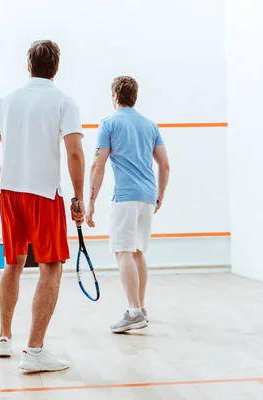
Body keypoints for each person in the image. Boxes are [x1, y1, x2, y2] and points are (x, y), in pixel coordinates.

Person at [0, 40, 85, 371]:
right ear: (56, 68)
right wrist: (79, 196)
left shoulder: (5, 101)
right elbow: (74, 153)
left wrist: (6, 181)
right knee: (51, 268)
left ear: (28, 65)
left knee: (13, 263)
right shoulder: (64, 102)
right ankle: (35, 351)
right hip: (44, 196)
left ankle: (3, 338)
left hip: (9, 195)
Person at [86, 76, 170, 333]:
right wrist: (160, 195)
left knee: (123, 251)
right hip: (147, 195)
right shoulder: (150, 124)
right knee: (137, 252)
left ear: (114, 96)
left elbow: (98, 165)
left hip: (125, 196)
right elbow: (164, 164)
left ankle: (134, 311)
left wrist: (90, 203)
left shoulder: (108, 123)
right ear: (135, 96)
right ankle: (140, 309)